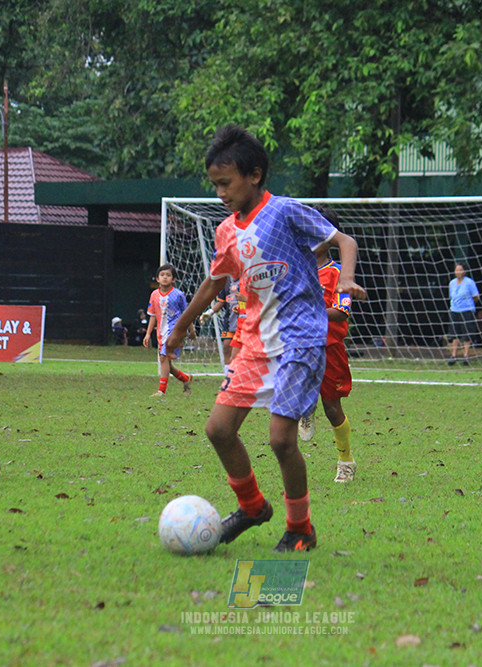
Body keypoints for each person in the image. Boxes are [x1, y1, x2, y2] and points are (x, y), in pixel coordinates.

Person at [164, 124, 366, 552]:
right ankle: (253, 506)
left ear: (254, 175)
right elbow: (212, 283)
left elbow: (344, 241)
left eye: (226, 183)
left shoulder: (286, 211)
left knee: (280, 438)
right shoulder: (225, 232)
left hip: (301, 340)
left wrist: (345, 278)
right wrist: (181, 325)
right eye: (215, 184)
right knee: (218, 429)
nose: (220, 192)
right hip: (254, 344)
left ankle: (300, 528)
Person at [297, 206, 357, 483]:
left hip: (330, 348)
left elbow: (342, 311)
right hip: (301, 346)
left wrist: (312, 311)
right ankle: (305, 407)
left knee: (332, 408)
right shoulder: (297, 269)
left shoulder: (337, 272)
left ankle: (346, 460)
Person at [144, 264, 196, 396]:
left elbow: (186, 313)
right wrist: (148, 334)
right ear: (157, 279)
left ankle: (161, 391)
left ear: (173, 279)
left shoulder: (179, 295)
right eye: (162, 275)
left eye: (168, 275)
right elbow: (152, 315)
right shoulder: (154, 295)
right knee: (166, 363)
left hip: (176, 331)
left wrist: (192, 330)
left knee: (163, 358)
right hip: (161, 332)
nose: (165, 278)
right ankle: (186, 379)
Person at [200, 277, 242, 374]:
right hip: (229, 320)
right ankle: (228, 376)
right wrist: (210, 312)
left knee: (240, 350)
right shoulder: (226, 281)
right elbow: (221, 301)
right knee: (227, 346)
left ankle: (240, 375)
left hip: (244, 320)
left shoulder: (246, 278)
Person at [447, 263, 480, 364]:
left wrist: (468, 305)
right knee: (454, 333)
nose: (459, 272)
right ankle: (454, 355)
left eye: (461, 270)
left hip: (467, 310)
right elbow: (451, 297)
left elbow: (476, 297)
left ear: (464, 271)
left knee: (467, 333)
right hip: (454, 310)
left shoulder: (470, 282)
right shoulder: (452, 283)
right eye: (457, 270)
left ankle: (466, 356)